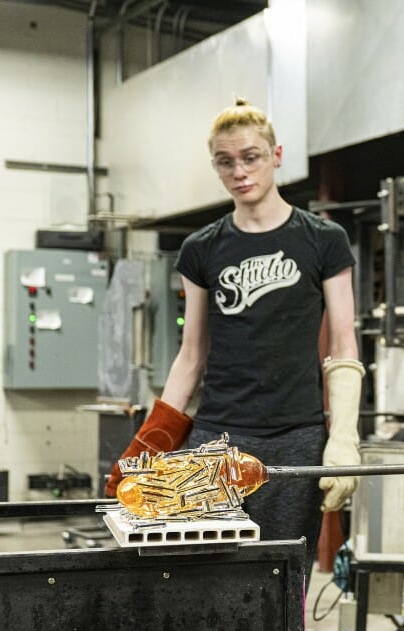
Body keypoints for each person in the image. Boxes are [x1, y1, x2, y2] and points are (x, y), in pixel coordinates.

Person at [105, 98, 364, 568]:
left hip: (296, 438)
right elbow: (191, 355)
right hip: (215, 438)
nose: (239, 171)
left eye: (251, 157)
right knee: (206, 578)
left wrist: (343, 435)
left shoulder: (323, 240)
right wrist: (150, 439)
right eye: (226, 162)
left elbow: (344, 344)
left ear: (276, 155)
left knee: (282, 581)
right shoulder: (201, 249)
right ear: (216, 167)